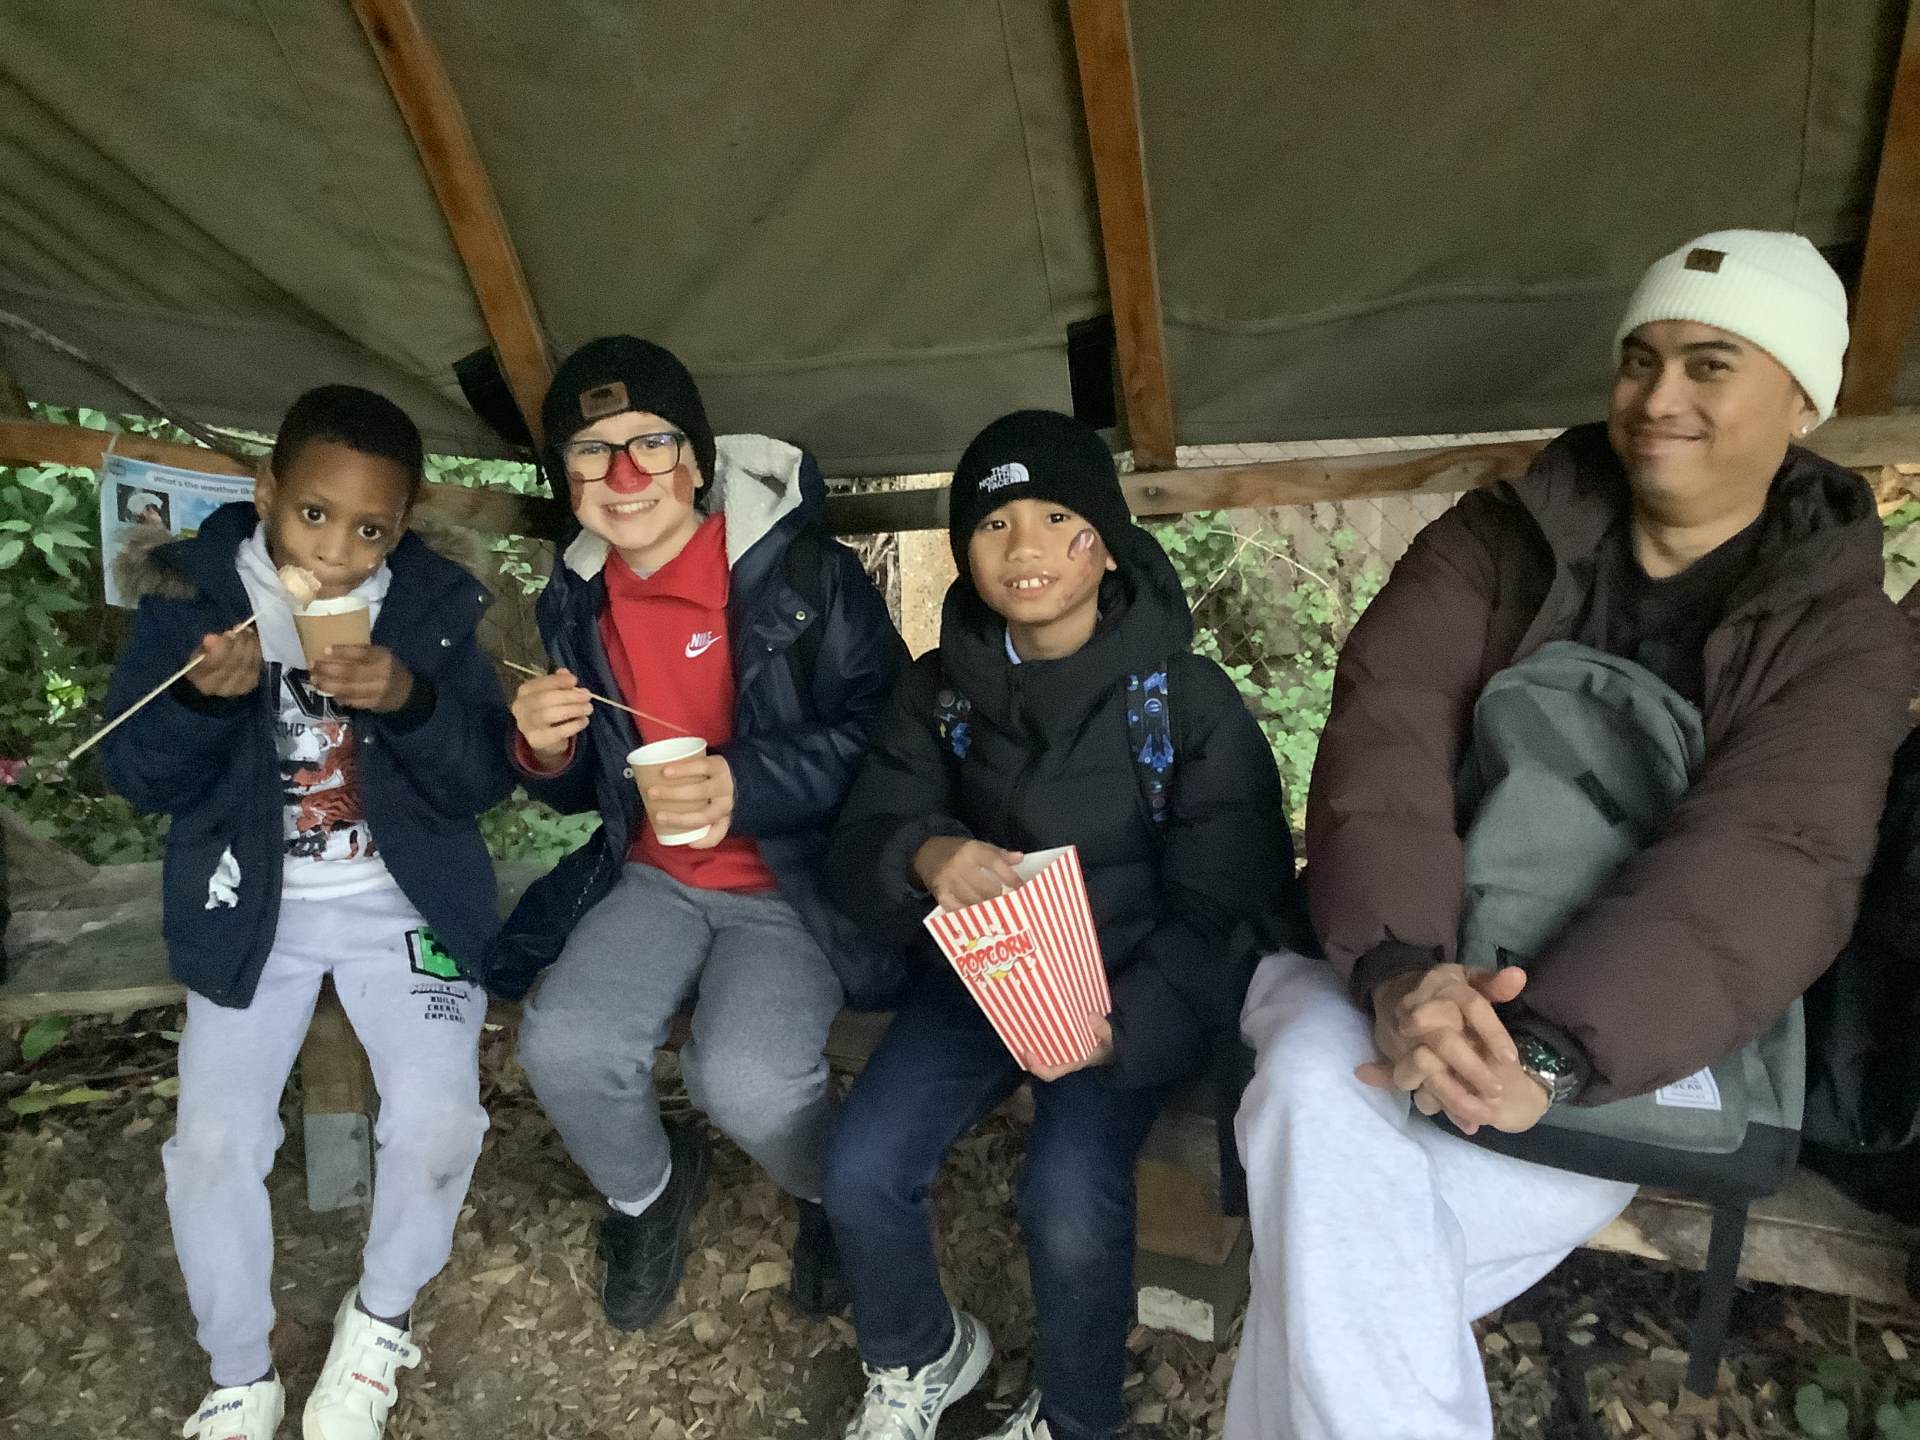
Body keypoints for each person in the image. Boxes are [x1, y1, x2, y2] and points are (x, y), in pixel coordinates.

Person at [1226, 230, 1917, 1440]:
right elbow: (1387, 734)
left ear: (1803, 401)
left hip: (1613, 1054)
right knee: (1318, 1131)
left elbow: (1768, 861)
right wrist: (1401, 968)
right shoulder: (1503, 541)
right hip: (1396, 976)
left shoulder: (1836, 630)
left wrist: (1546, 1054)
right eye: (1640, 360)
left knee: (1323, 1230)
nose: (1659, 398)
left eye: (1711, 366)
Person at [821, 410, 1295, 1440]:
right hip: (986, 980)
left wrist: (1125, 1031)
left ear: (1107, 543)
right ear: (964, 550)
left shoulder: (1183, 702)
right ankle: (920, 1355)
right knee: (861, 1167)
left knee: (1068, 1201)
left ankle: (1077, 1418)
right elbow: (859, 839)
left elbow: (1235, 904)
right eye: (994, 525)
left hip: (1123, 992)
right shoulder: (938, 691)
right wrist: (922, 853)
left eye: (1056, 519)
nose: (1024, 547)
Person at [103, 384, 512, 1440]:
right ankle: (240, 1372)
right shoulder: (192, 600)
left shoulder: (430, 608)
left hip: (405, 906)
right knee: (213, 1142)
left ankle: (379, 1321)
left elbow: (479, 781)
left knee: (439, 1122)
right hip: (251, 910)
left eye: (370, 529)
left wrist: (410, 701)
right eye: (315, 515)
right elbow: (136, 775)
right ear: (267, 491)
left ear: (402, 527)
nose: (335, 553)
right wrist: (200, 700)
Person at [493, 336, 905, 1332]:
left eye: (652, 443)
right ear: (564, 478)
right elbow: (587, 791)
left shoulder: (805, 575)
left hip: (794, 881)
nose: (624, 475)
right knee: (563, 1043)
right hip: (653, 876)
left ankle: (830, 1191)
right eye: (591, 451)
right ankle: (647, 1192)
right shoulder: (576, 597)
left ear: (698, 461)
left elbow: (894, 739)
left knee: (747, 1079)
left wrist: (746, 782)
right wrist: (544, 750)